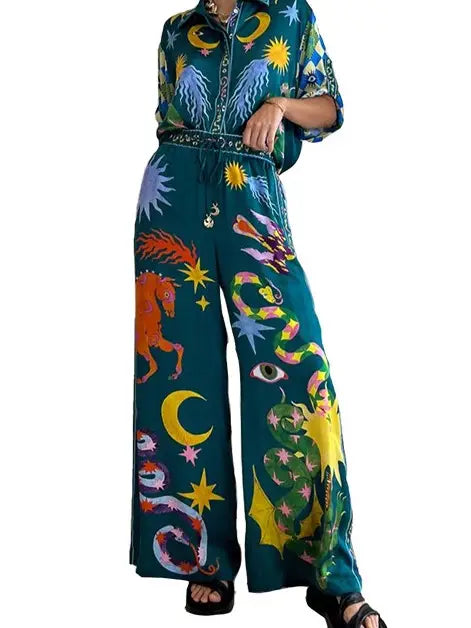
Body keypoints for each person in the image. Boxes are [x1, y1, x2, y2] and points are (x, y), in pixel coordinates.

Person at [130, 1, 387, 626]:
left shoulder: (290, 14)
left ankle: (328, 571)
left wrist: (279, 106)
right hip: (172, 200)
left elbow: (330, 108)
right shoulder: (176, 30)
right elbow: (167, 120)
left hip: (253, 197)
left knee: (298, 371)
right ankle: (202, 555)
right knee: (178, 373)